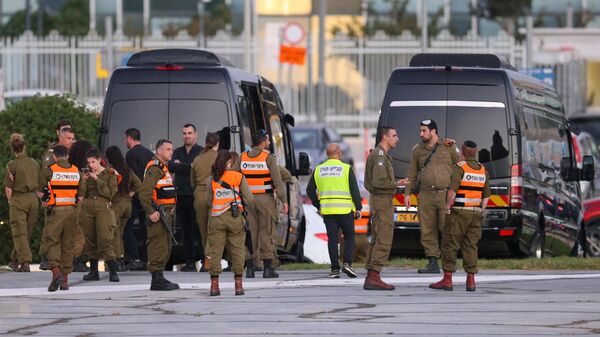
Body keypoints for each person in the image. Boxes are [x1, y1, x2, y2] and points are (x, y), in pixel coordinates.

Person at [429, 141, 490, 292]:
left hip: (458, 212)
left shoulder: (459, 168)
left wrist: (448, 207)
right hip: (475, 213)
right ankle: (470, 281)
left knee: (450, 243)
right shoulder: (483, 170)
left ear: (462, 153)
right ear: (475, 153)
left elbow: (452, 191)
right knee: (470, 245)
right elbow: (486, 196)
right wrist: (479, 210)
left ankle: (447, 280)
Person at [233, 129, 288, 279]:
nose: (269, 143)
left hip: (247, 201)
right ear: (263, 142)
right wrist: (283, 200)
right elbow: (277, 181)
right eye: (268, 140)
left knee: (250, 233)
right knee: (267, 232)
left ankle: (249, 268)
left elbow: (233, 177)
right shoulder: (268, 157)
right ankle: (267, 269)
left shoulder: (242, 157)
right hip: (266, 200)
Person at [405, 119, 458, 274]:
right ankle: (433, 262)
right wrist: (407, 193)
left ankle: (449, 262)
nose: (421, 133)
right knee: (427, 229)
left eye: (424, 131)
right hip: (426, 194)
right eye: (420, 130)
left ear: (433, 131)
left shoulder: (448, 146)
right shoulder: (417, 150)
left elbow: (459, 169)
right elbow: (412, 173)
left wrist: (455, 192)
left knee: (447, 228)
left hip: (444, 194)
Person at [307, 143, 362, 278]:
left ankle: (334, 269)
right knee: (349, 237)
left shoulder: (319, 170)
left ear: (327, 154)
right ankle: (347, 264)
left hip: (328, 211)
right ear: (339, 153)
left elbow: (309, 190)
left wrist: (318, 205)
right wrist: (358, 208)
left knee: (333, 240)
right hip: (345, 210)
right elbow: (354, 190)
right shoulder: (346, 169)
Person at [363, 127, 407, 290]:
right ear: (385, 137)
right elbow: (378, 183)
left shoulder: (381, 155)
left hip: (381, 200)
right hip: (382, 201)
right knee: (384, 237)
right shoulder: (380, 156)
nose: (397, 138)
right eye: (394, 136)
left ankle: (371, 273)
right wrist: (397, 183)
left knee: (377, 237)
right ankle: (374, 275)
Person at [206, 150, 254, 296]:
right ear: (229, 162)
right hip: (235, 219)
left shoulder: (212, 179)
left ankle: (214, 287)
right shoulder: (238, 177)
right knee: (238, 251)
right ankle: (238, 286)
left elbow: (209, 201)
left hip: (216, 219)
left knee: (216, 253)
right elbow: (250, 199)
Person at [138, 139, 179, 291]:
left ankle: (160, 277)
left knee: (165, 246)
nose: (171, 152)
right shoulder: (155, 168)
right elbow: (144, 193)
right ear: (159, 151)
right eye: (168, 149)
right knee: (157, 245)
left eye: (172, 149)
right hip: (158, 215)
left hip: (165, 213)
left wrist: (171, 206)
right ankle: (156, 280)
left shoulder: (163, 168)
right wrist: (151, 212)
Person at [37, 145, 80, 292]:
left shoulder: (49, 171)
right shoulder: (76, 171)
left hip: (55, 212)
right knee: (68, 245)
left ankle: (56, 273)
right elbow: (80, 196)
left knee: (52, 241)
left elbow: (39, 193)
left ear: (54, 157)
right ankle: (65, 282)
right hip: (72, 211)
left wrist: (45, 198)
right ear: (67, 156)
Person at [78, 148, 120, 282]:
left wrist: (97, 179)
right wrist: (83, 181)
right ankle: (93, 271)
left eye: (93, 162)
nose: (91, 165)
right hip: (88, 206)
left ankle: (113, 271)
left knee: (105, 238)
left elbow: (110, 193)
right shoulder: (87, 175)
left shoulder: (110, 173)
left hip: (103, 206)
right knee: (90, 239)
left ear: (100, 160)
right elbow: (81, 194)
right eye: (89, 162)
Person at [39, 125, 76, 270]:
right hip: (53, 199)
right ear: (60, 137)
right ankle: (45, 257)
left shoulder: (68, 153)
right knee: (50, 230)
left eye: (73, 138)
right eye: (68, 138)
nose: (71, 141)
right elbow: (45, 177)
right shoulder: (51, 154)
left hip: (66, 199)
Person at [169, 124, 203, 271]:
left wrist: (181, 166)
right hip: (181, 196)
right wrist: (188, 166)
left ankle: (203, 261)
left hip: (196, 196)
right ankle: (189, 262)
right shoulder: (177, 151)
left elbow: (195, 168)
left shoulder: (201, 152)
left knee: (199, 230)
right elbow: (171, 167)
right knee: (185, 231)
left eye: (189, 133)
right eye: (184, 133)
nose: (187, 136)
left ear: (196, 134)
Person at [4, 133, 39, 272]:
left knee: (19, 233)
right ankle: (14, 260)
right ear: (24, 147)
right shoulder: (34, 163)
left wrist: (10, 201)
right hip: (33, 199)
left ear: (12, 148)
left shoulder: (11, 165)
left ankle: (25, 262)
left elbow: (8, 187)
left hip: (18, 199)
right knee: (26, 233)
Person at [105, 146, 142, 272]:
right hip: (128, 205)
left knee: (114, 234)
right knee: (120, 233)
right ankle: (121, 259)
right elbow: (138, 184)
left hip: (116, 205)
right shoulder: (127, 170)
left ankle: (117, 261)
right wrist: (130, 193)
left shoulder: (111, 171)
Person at [124, 128, 154, 271]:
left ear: (130, 138)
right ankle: (147, 258)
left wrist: (132, 191)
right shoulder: (149, 154)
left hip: (136, 197)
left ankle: (135, 257)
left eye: (126, 139)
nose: (125, 141)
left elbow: (133, 175)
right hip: (148, 195)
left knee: (126, 227)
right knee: (146, 228)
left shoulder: (130, 154)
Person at [190, 132, 220, 271]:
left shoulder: (197, 159)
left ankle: (205, 262)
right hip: (216, 194)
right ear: (217, 144)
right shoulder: (220, 157)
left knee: (203, 230)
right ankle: (213, 260)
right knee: (214, 229)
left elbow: (192, 181)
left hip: (200, 194)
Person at [68, 140, 94, 273]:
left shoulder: (70, 169)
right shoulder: (80, 172)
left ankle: (74, 259)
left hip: (69, 205)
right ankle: (76, 260)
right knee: (80, 233)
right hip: (79, 205)